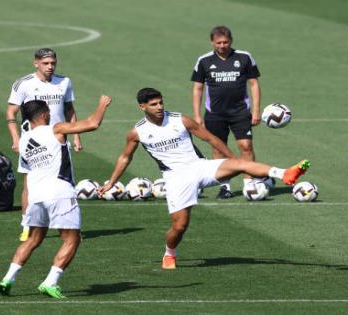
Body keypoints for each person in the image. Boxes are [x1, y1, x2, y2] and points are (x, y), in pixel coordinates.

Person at [98, 88, 309, 270]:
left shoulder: (181, 120)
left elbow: (210, 138)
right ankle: (170, 253)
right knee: (179, 227)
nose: (160, 106)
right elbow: (125, 157)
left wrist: (231, 159)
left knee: (241, 163)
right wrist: (111, 181)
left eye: (161, 102)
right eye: (154, 104)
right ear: (142, 107)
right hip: (176, 178)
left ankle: (285, 174)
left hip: (199, 166)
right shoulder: (137, 132)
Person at [0, 95, 112, 299]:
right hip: (60, 193)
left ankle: (8, 278)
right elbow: (92, 124)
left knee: (33, 238)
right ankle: (51, 282)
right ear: (43, 115)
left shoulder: (24, 141)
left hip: (36, 196)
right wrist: (102, 104)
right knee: (72, 239)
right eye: (48, 113)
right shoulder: (56, 129)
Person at [6, 48, 82, 242]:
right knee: (29, 184)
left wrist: (76, 136)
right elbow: (11, 113)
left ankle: (66, 226)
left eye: (53, 63)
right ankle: (26, 225)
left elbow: (69, 109)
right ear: (36, 63)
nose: (50, 67)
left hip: (59, 142)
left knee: (65, 182)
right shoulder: (24, 84)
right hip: (33, 143)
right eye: (46, 63)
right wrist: (16, 139)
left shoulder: (64, 82)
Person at [191, 25, 261, 199]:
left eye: (226, 42)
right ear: (212, 42)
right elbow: (198, 88)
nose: (222, 46)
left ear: (231, 41)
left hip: (240, 112)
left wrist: (256, 110)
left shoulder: (244, 57)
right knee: (218, 150)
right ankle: (224, 186)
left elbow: (253, 84)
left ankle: (249, 184)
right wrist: (197, 115)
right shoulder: (204, 61)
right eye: (218, 43)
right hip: (214, 114)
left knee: (246, 146)